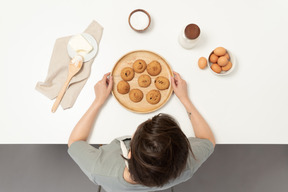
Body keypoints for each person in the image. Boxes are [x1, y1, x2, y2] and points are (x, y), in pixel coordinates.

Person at [68, 71, 215, 192]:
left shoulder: (100, 169)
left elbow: (74, 142)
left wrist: (98, 100)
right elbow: (207, 139)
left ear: (130, 152)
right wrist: (184, 98)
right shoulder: (187, 166)